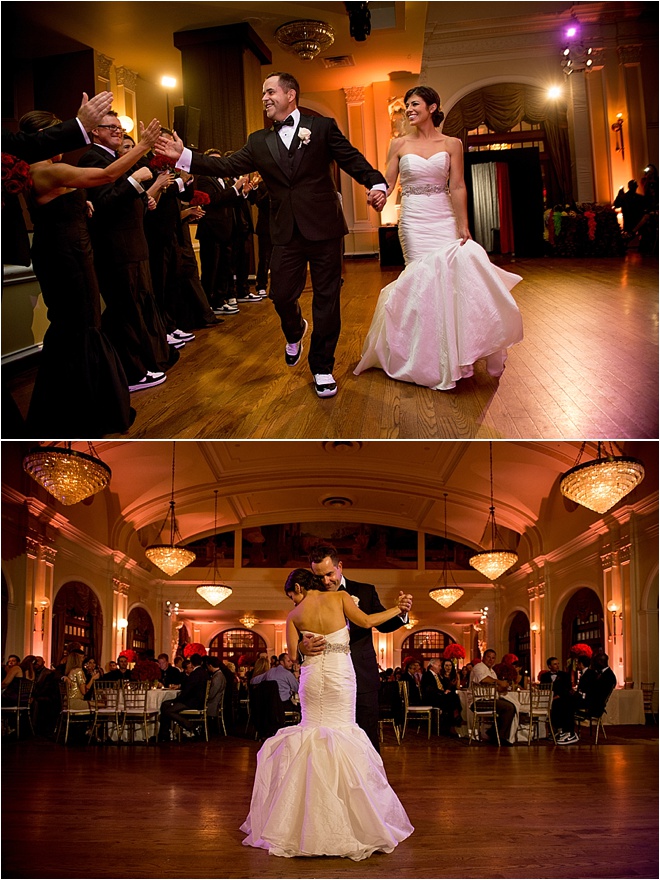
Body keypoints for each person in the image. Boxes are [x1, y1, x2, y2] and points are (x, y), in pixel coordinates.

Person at [156, 71, 388, 399]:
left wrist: (376, 182)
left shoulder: (320, 128)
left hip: (324, 228)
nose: (264, 98)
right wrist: (184, 155)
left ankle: (322, 367)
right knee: (279, 294)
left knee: (327, 300)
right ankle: (295, 330)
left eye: (269, 91)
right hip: (285, 231)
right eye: (263, 93)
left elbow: (350, 159)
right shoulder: (257, 142)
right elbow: (225, 166)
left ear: (290, 94)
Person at [354, 85, 523, 391]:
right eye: (407, 105)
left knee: (454, 278)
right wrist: (378, 194)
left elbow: (457, 186)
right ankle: (427, 358)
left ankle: (462, 355)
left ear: (432, 107)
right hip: (414, 219)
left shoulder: (453, 144)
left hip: (443, 216)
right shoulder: (399, 143)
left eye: (414, 104)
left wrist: (463, 224)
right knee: (421, 281)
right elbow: (388, 182)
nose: (409, 109)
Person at [240, 569, 413, 860]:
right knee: (343, 730)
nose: (293, 600)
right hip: (339, 675)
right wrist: (399, 608)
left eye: (291, 594)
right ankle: (351, 817)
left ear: (297, 587)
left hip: (312, 676)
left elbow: (293, 658)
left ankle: (303, 821)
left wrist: (303, 646)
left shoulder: (294, 615)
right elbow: (368, 622)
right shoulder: (340, 598)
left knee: (311, 731)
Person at [16, 112, 160, 435]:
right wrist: (144, 146)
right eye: (57, 133)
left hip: (71, 250)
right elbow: (107, 175)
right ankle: (82, 412)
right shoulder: (44, 172)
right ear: (42, 138)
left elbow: (63, 204)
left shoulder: (48, 173)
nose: (62, 140)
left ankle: (73, 407)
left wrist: (81, 205)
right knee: (80, 326)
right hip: (65, 256)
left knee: (77, 326)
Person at [79, 110, 179, 393]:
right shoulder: (92, 159)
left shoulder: (111, 159)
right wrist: (136, 181)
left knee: (135, 307)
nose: (118, 131)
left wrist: (143, 197)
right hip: (115, 248)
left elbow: (120, 198)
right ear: (94, 131)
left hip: (133, 244)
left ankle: (141, 363)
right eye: (110, 127)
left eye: (119, 127)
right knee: (123, 311)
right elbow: (103, 202)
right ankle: (131, 373)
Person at [306, 544, 412, 752]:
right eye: (319, 577)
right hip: (327, 677)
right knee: (329, 735)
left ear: (340, 567)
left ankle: (370, 781)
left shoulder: (364, 591)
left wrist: (400, 612)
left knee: (367, 733)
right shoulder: (311, 597)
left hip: (361, 675)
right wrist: (303, 646)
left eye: (329, 574)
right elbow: (300, 629)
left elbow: (383, 625)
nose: (325, 582)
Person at [470, 648, 517, 745]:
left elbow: (495, 687)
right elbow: (484, 680)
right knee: (509, 707)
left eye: (493, 658)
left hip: (490, 700)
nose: (491, 660)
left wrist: (505, 687)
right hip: (479, 701)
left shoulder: (492, 671)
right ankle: (499, 736)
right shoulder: (479, 667)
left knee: (512, 705)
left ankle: (494, 732)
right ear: (483, 657)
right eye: (488, 657)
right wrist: (500, 682)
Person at [158, 652, 209, 741]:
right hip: (197, 700)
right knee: (166, 704)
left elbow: (187, 691)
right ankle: (165, 733)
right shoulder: (204, 672)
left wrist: (176, 700)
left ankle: (189, 726)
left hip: (192, 702)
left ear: (192, 663)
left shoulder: (195, 674)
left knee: (167, 710)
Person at [539, 656, 573, 737]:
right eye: (555, 664)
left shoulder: (565, 675)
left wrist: (557, 697)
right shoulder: (544, 676)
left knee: (559, 705)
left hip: (561, 698)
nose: (557, 666)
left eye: (558, 664)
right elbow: (542, 688)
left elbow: (567, 689)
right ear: (549, 666)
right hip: (548, 699)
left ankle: (560, 729)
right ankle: (544, 731)